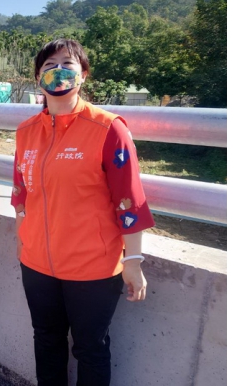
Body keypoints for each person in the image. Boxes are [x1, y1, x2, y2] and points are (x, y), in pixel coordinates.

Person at [10, 38, 154, 386]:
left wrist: (133, 261)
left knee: (90, 348)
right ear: (37, 78)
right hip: (37, 264)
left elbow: (129, 200)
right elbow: (21, 194)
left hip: (93, 268)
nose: (57, 71)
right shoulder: (26, 132)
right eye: (48, 65)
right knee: (46, 340)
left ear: (84, 75)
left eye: (67, 63)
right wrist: (23, 241)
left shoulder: (108, 129)